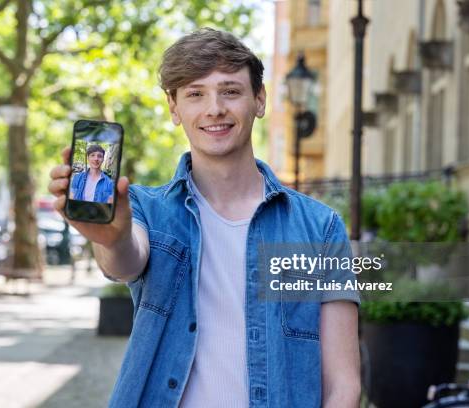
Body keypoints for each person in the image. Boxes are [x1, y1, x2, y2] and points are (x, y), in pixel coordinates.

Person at [49, 28, 360, 408]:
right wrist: (110, 238)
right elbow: (127, 259)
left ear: (259, 100)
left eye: (230, 91)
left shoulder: (320, 228)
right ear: (174, 109)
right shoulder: (146, 209)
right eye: (195, 94)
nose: (214, 108)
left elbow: (344, 386)